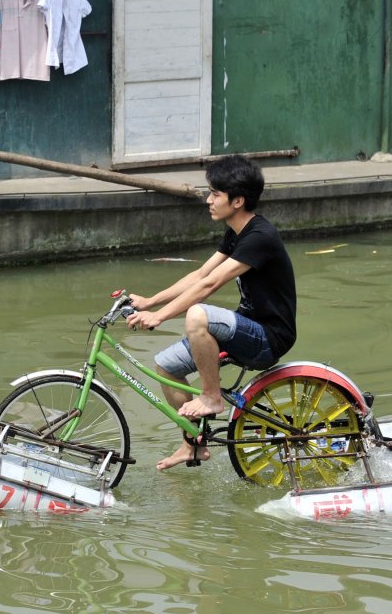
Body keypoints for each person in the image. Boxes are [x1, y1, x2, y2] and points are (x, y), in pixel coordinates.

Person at [125, 154, 296, 471]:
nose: (208, 200)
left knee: (197, 314)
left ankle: (212, 397)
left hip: (269, 338)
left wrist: (160, 317)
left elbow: (211, 285)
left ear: (237, 200)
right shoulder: (236, 232)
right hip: (246, 328)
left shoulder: (261, 237)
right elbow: (201, 275)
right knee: (166, 366)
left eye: (215, 194)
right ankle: (193, 445)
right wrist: (150, 301)